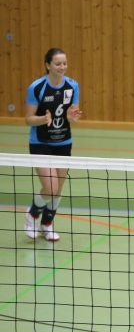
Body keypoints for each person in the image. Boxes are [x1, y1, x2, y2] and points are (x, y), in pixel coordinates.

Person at [24, 48, 82, 242]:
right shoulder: (37, 87)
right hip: (41, 143)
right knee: (50, 187)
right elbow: (28, 119)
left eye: (64, 63)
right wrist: (43, 119)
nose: (62, 67)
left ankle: (47, 224)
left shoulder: (72, 86)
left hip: (63, 142)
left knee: (58, 189)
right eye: (57, 64)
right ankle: (32, 215)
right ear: (48, 65)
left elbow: (72, 115)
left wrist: (71, 117)